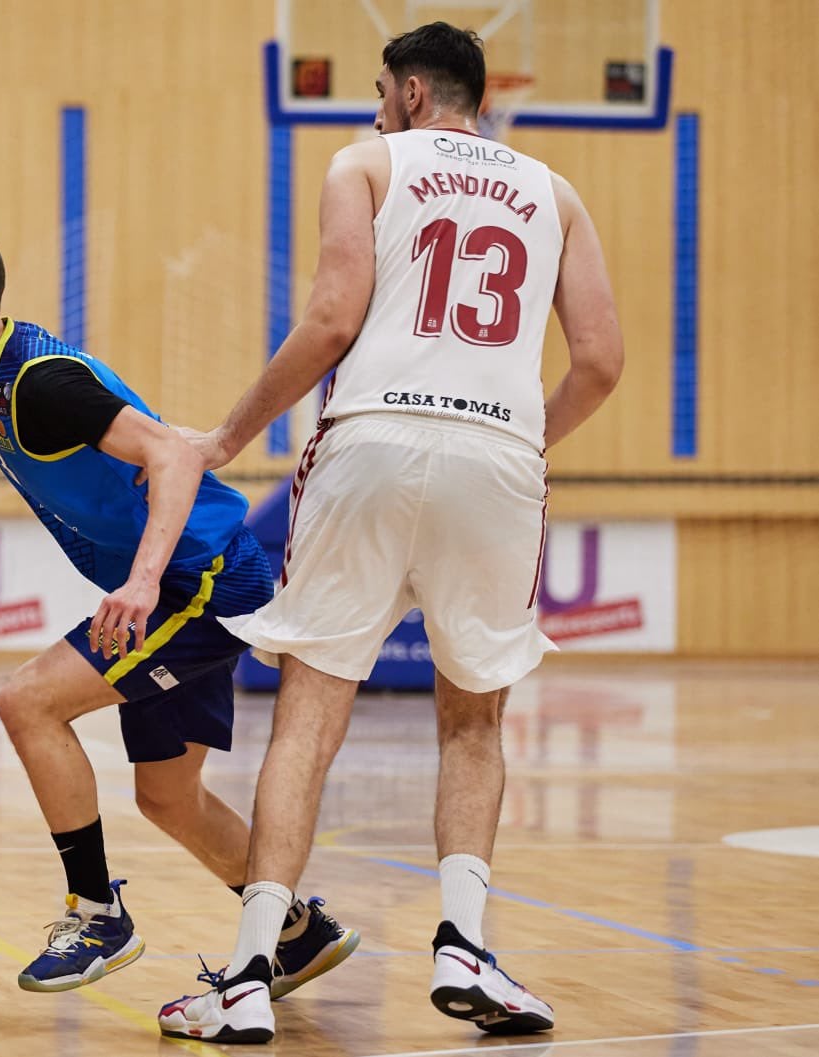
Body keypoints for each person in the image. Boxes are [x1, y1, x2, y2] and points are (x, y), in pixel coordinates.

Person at [156, 23, 624, 1043]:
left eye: (379, 91)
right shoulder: (557, 192)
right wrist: (519, 444)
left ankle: (245, 969)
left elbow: (330, 319)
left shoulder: (365, 161)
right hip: (500, 454)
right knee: (473, 722)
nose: (371, 108)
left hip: (370, 436)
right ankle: (464, 946)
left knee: (311, 715)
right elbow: (599, 359)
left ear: (415, 91)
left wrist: (229, 433)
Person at [0, 222, 359, 995]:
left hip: (203, 579)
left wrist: (145, 579)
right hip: (189, 580)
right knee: (167, 797)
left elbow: (172, 453)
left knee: (27, 702)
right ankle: (294, 929)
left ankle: (96, 912)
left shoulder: (43, 384)